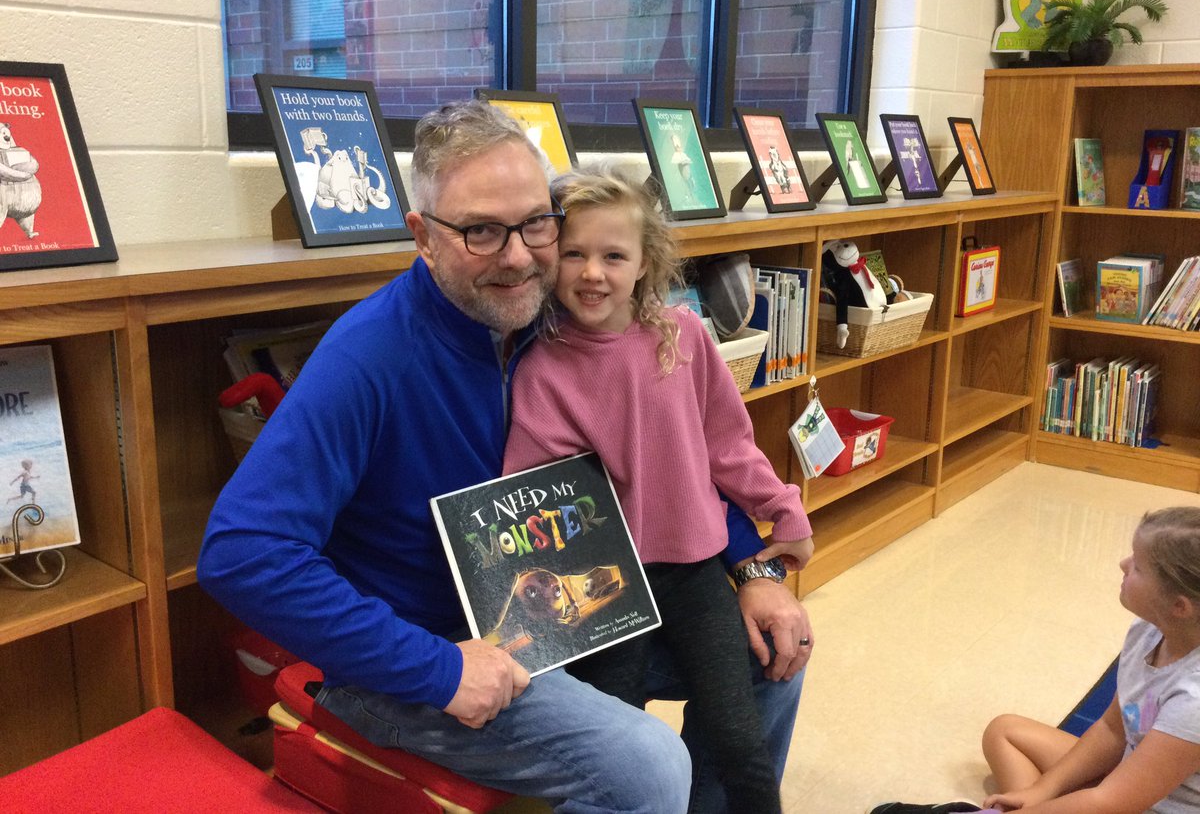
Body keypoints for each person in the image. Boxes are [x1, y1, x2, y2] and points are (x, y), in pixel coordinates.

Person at [198, 99, 811, 813]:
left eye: (534, 223)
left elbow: (669, 454)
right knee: (645, 763)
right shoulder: (368, 358)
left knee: (774, 655)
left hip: (553, 615)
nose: (519, 255)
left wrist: (754, 567)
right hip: (420, 658)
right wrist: (433, 668)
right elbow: (241, 552)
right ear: (423, 237)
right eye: (481, 231)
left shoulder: (548, 321)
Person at [503, 165, 814, 813]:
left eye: (614, 255)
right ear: (550, 262)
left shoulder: (684, 337)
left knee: (738, 737)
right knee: (623, 748)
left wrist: (782, 511)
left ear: (645, 262)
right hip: (603, 589)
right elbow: (533, 496)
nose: (593, 273)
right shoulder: (541, 370)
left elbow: (728, 445)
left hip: (693, 570)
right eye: (574, 254)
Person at [870, 506, 1200, 814]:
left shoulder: (1193, 702)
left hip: (1140, 802)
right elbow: (1113, 729)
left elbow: (1112, 801)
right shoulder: (1148, 630)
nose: (1123, 564)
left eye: (1138, 567)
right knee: (1005, 732)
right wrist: (1043, 789)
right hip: (1132, 779)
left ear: (1180, 607)